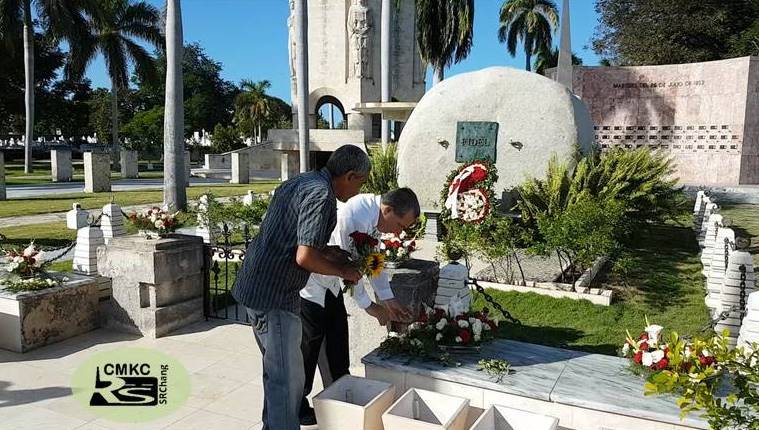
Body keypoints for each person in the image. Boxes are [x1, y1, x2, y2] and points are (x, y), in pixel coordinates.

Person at [232, 145, 369, 430]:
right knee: (288, 382)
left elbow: (294, 241)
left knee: (277, 374)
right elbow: (304, 256)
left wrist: (331, 254)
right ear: (350, 175)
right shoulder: (322, 195)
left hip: (255, 288)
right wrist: (344, 270)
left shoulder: (302, 181)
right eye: (360, 183)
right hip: (275, 296)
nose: (358, 191)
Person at [298, 188, 420, 426]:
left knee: (337, 346)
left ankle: (340, 400)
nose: (399, 232)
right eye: (399, 225)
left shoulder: (375, 218)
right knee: (307, 351)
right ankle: (297, 406)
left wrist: (389, 300)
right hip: (311, 288)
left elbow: (373, 262)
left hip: (330, 287)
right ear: (387, 210)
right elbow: (348, 269)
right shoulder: (356, 214)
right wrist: (370, 307)